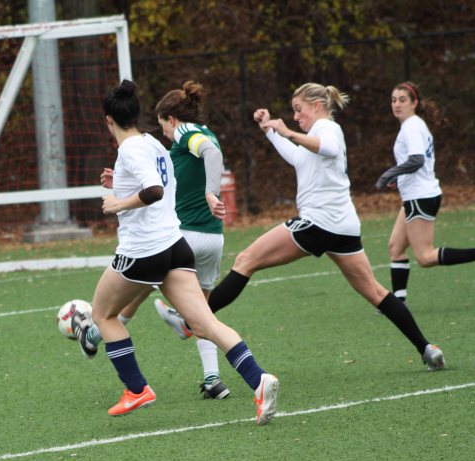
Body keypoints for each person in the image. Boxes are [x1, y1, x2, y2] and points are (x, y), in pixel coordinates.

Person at [72, 79, 279, 424]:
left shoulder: (129, 149)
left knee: (103, 315)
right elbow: (163, 182)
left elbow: (154, 190)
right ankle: (259, 380)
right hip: (175, 246)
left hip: (144, 250)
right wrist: (119, 183)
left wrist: (117, 202)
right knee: (205, 323)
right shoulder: (152, 143)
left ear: (108, 119)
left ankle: (136, 389)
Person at [206, 83, 445, 371]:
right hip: (342, 227)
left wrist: (288, 131)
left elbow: (329, 148)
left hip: (319, 223)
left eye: (299, 110)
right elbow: (297, 158)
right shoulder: (313, 136)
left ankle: (192, 318)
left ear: (316, 105)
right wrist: (270, 130)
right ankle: (427, 348)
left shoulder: (327, 128)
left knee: (246, 260)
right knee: (375, 292)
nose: (296, 117)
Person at [79, 80, 232, 400]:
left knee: (135, 289)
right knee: (204, 314)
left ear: (172, 119)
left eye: (164, 127)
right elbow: (166, 177)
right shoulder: (177, 140)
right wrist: (122, 181)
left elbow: (208, 155)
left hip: (182, 233)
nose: (165, 134)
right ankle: (213, 377)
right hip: (212, 237)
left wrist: (210, 192)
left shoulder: (187, 133)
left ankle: (97, 334)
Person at [376, 81, 475, 303]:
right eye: (393, 100)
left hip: (420, 196)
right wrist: (398, 178)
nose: (396, 104)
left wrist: (389, 174)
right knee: (395, 247)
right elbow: (416, 163)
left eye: (402, 100)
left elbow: (417, 160)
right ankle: (398, 303)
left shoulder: (411, 126)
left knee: (425, 257)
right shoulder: (414, 125)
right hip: (416, 194)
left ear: (414, 103)